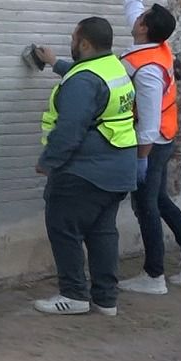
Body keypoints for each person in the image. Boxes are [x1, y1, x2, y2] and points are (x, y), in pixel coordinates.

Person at [71, 0, 181, 293]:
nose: (137, 17)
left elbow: (148, 121)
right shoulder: (156, 46)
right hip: (163, 135)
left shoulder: (147, 68)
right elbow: (132, 4)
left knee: (145, 205)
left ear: (144, 28)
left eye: (142, 17)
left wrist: (141, 160)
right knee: (159, 200)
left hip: (154, 141)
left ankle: (154, 276)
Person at [31, 18, 138, 315]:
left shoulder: (83, 81)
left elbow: (70, 129)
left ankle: (74, 295)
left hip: (84, 171)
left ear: (85, 43)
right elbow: (90, 82)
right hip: (118, 169)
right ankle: (105, 299)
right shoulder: (114, 67)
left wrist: (48, 161)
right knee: (102, 233)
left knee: (64, 228)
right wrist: (55, 63)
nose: (72, 42)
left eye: (74, 38)